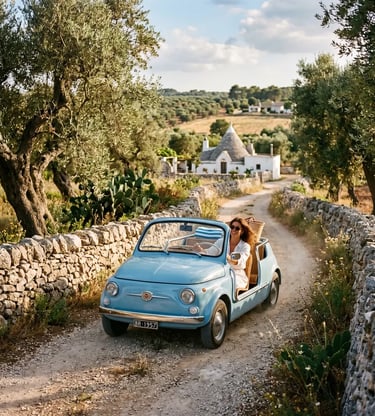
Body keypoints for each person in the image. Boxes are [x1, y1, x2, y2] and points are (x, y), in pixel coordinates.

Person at [226, 217, 251, 290]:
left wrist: (230, 259)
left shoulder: (245, 246)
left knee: (229, 283)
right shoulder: (222, 241)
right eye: (232, 227)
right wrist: (200, 249)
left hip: (236, 274)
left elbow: (241, 260)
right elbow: (210, 251)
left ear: (242, 231)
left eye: (237, 228)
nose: (233, 230)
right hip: (220, 271)